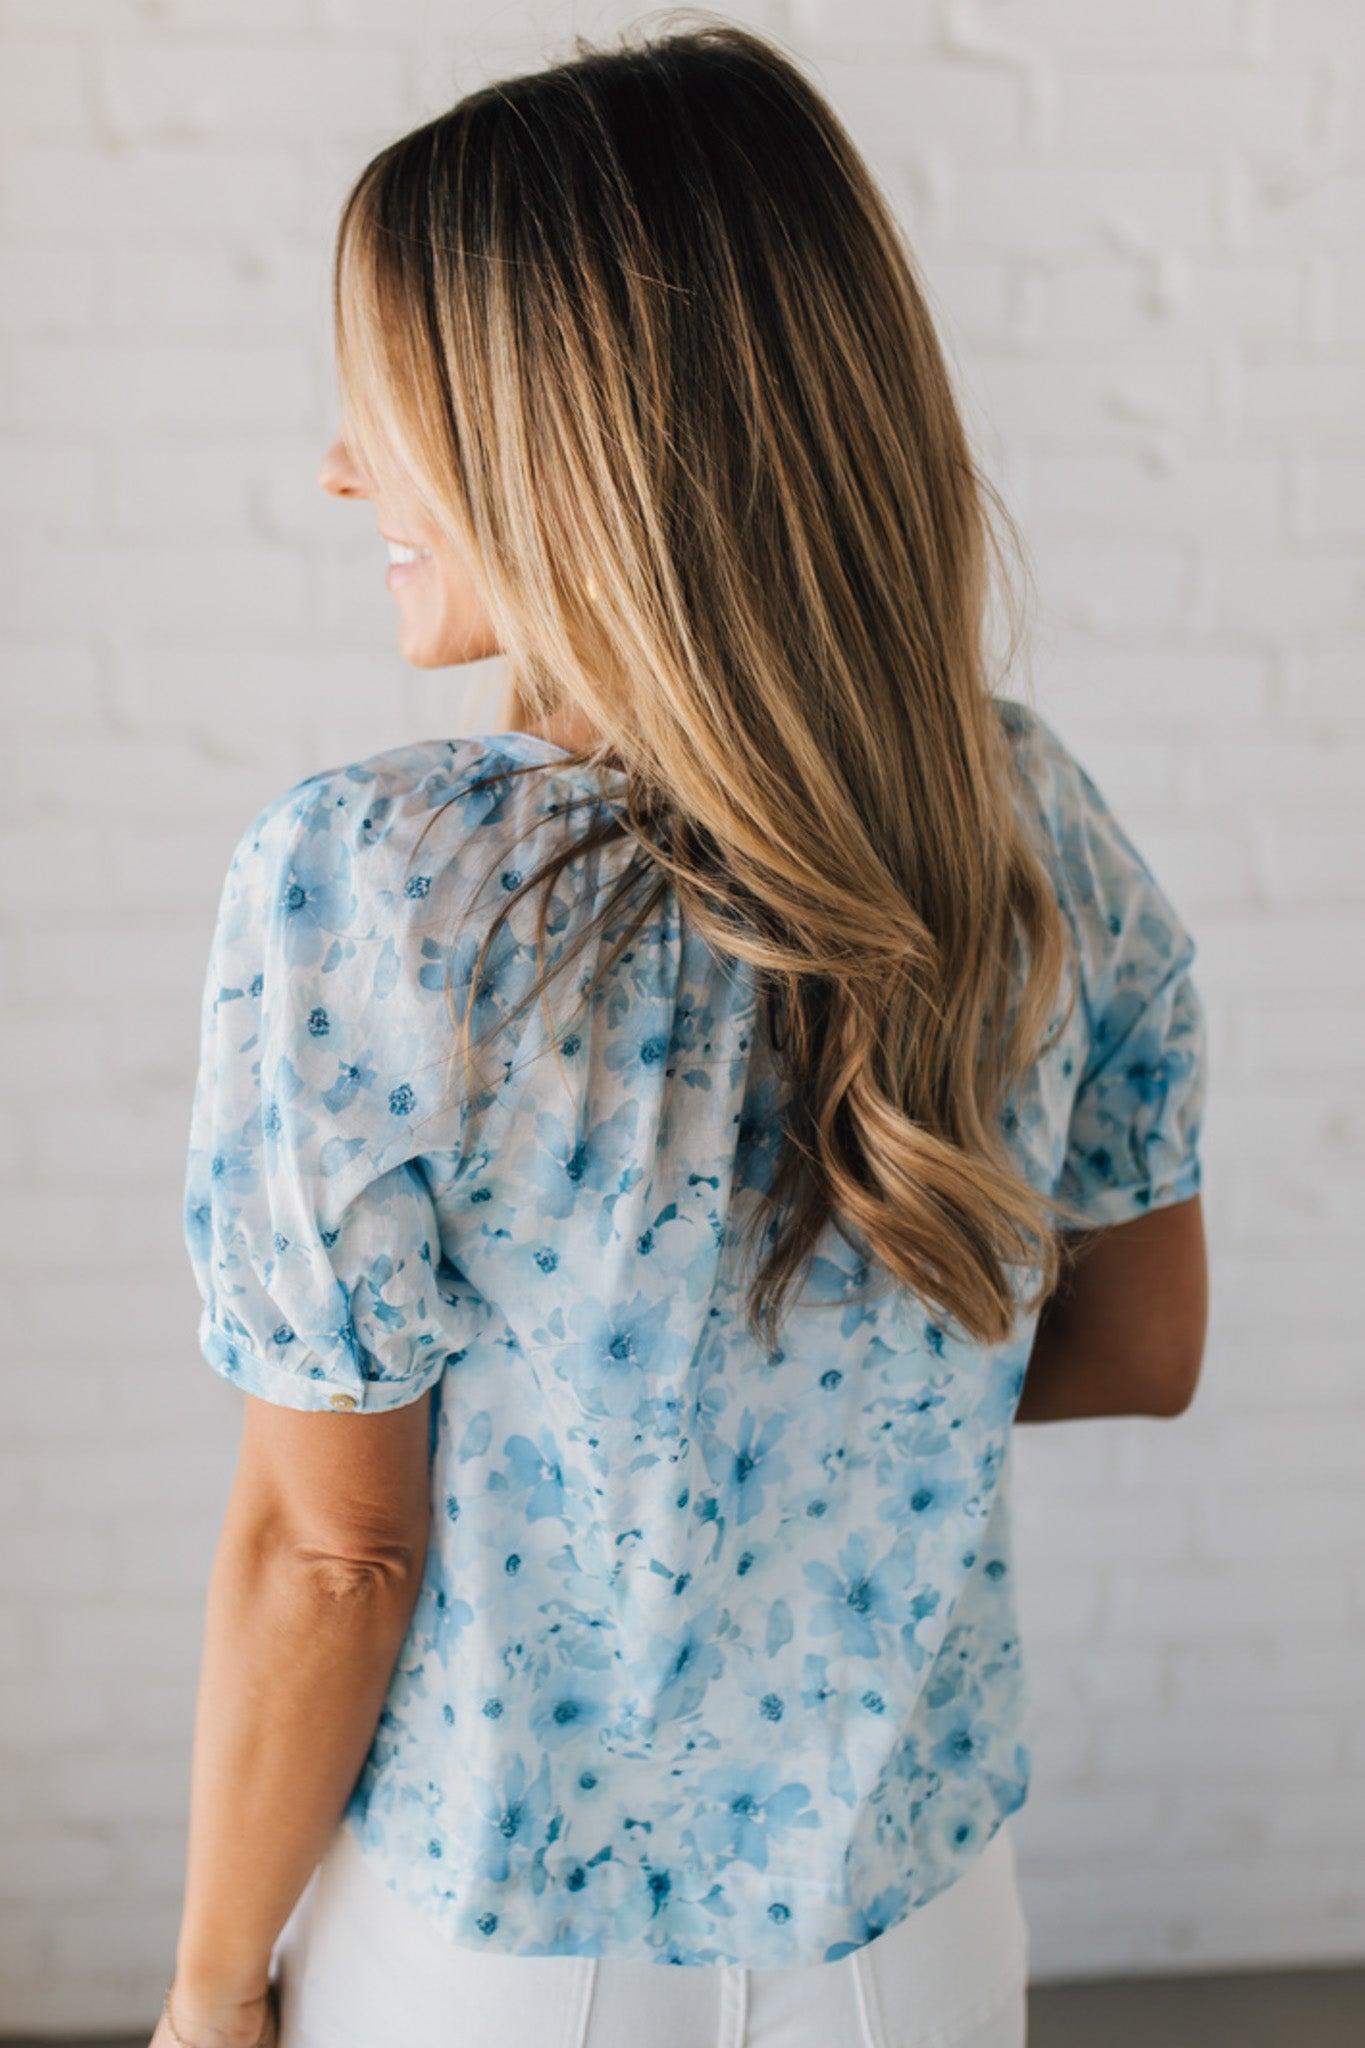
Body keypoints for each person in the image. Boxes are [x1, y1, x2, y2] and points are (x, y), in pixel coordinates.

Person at [155, 21, 1209, 2048]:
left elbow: (327, 1551)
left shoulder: (375, 885)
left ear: (575, 435)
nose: (339, 461)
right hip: (916, 1940)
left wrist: (209, 1991)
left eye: (389, 398)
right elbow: (1135, 1346)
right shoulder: (1026, 818)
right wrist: (812, 1422)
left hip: (497, 1950)